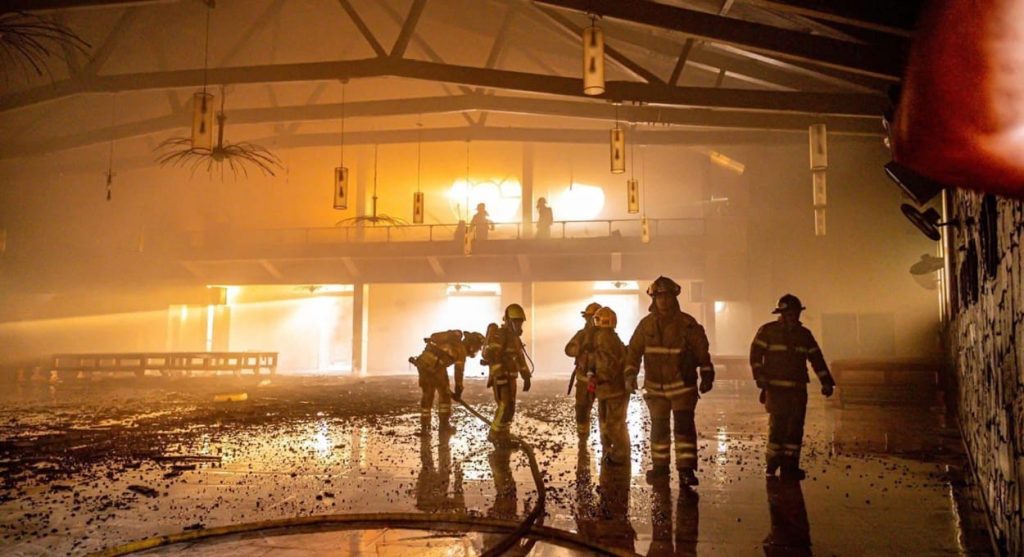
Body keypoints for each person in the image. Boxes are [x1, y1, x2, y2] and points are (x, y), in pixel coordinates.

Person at [625, 276, 715, 487]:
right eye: (659, 297)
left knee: (684, 429)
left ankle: (686, 470)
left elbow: (702, 351)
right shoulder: (646, 325)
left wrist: (707, 373)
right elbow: (633, 352)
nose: (663, 301)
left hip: (682, 387)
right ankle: (660, 469)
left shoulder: (687, 324)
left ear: (674, 298)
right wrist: (630, 374)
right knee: (659, 430)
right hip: (656, 389)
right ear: (654, 299)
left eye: (667, 296)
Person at [749, 294, 836, 480]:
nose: (793, 316)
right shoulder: (767, 331)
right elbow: (755, 356)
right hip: (775, 389)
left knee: (795, 429)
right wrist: (760, 378)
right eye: (789, 313)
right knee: (778, 427)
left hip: (797, 391)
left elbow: (816, 359)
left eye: (795, 313)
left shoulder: (804, 335)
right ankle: (772, 464)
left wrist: (826, 381)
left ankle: (790, 467)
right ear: (781, 313)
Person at [409, 330, 485, 435]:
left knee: (427, 395)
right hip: (437, 367)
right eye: (477, 347)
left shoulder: (452, 343)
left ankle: (425, 427)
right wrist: (458, 390)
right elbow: (459, 373)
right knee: (445, 396)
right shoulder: (461, 350)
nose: (476, 350)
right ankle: (444, 426)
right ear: (472, 345)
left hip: (423, 364)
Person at [483, 303, 531, 446]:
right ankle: (494, 435)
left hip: (511, 377)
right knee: (504, 407)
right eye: (516, 321)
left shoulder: (514, 338)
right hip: (502, 378)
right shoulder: (500, 334)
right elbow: (493, 356)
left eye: (520, 321)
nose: (519, 324)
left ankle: (504, 436)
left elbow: (520, 358)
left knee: (510, 408)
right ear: (509, 320)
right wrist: (499, 376)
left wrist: (526, 376)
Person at [591, 307, 631, 466]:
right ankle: (612, 452)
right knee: (611, 422)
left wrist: (597, 377)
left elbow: (607, 365)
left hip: (611, 389)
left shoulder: (602, 339)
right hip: (610, 390)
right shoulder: (613, 339)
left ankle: (618, 454)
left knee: (612, 423)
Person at [565, 302, 602, 441]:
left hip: (602, 380)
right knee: (581, 410)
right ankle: (583, 438)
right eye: (588, 318)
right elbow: (568, 350)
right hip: (583, 381)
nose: (590, 321)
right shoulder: (581, 335)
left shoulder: (607, 337)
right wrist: (579, 348)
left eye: (592, 318)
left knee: (605, 412)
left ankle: (606, 441)